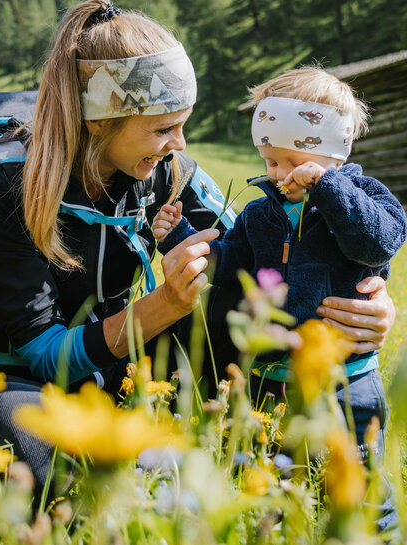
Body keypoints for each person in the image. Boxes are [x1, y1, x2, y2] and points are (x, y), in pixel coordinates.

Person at [0, 0, 396, 487]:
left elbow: (270, 256)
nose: (181, 145)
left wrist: (371, 305)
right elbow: (47, 355)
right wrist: (165, 304)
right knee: (47, 464)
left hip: (129, 368)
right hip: (23, 379)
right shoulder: (1, 188)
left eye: (183, 124)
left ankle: (278, 455)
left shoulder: (165, 171)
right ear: (99, 120)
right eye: (164, 128)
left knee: (231, 305)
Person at [152, 66, 405, 532]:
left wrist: (329, 190)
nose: (279, 175)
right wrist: (181, 240)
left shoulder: (364, 195)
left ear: (332, 153)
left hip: (345, 381)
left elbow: (379, 241)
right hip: (272, 380)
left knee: (359, 491)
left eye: (291, 162)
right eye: (270, 161)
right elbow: (231, 266)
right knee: (272, 485)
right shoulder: (259, 214)